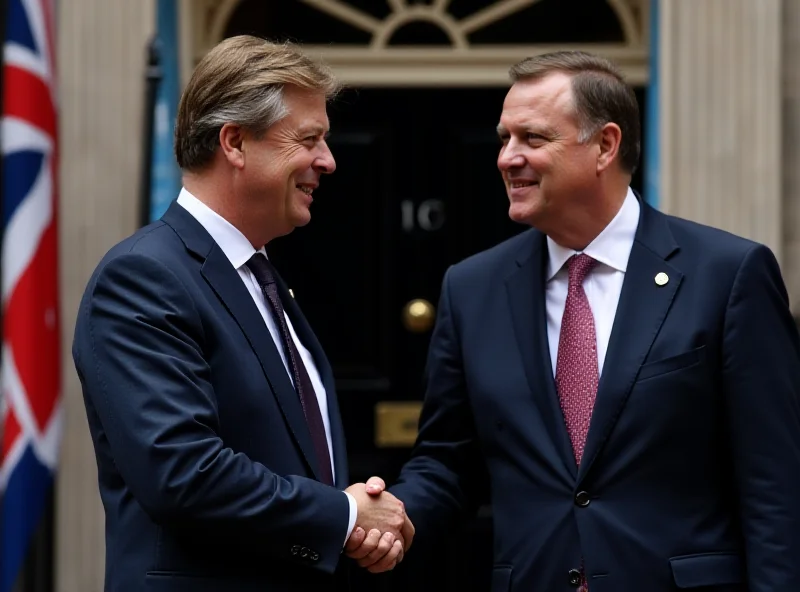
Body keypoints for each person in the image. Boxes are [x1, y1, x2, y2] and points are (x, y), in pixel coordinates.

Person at [368, 51, 800, 590]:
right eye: (504, 139)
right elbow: (449, 461)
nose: (507, 157)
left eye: (532, 138)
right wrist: (394, 520)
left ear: (605, 145)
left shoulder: (726, 275)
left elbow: (775, 483)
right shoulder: (472, 289)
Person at [72, 35, 412, 592]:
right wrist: (345, 517)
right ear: (234, 142)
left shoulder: (262, 278)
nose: (327, 161)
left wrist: (349, 523)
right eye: (309, 139)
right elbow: (182, 472)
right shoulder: (144, 276)